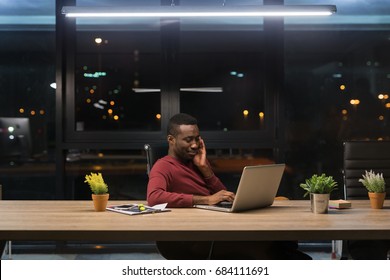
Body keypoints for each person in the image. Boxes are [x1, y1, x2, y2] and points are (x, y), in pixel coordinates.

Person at [147, 113, 311, 260]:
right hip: (197, 235)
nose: (195, 145)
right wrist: (206, 199)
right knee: (264, 242)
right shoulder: (163, 166)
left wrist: (206, 170)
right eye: (188, 140)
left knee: (282, 201)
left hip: (218, 222)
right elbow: (154, 197)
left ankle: (289, 256)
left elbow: (222, 193)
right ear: (171, 140)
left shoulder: (197, 163)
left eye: (197, 138)